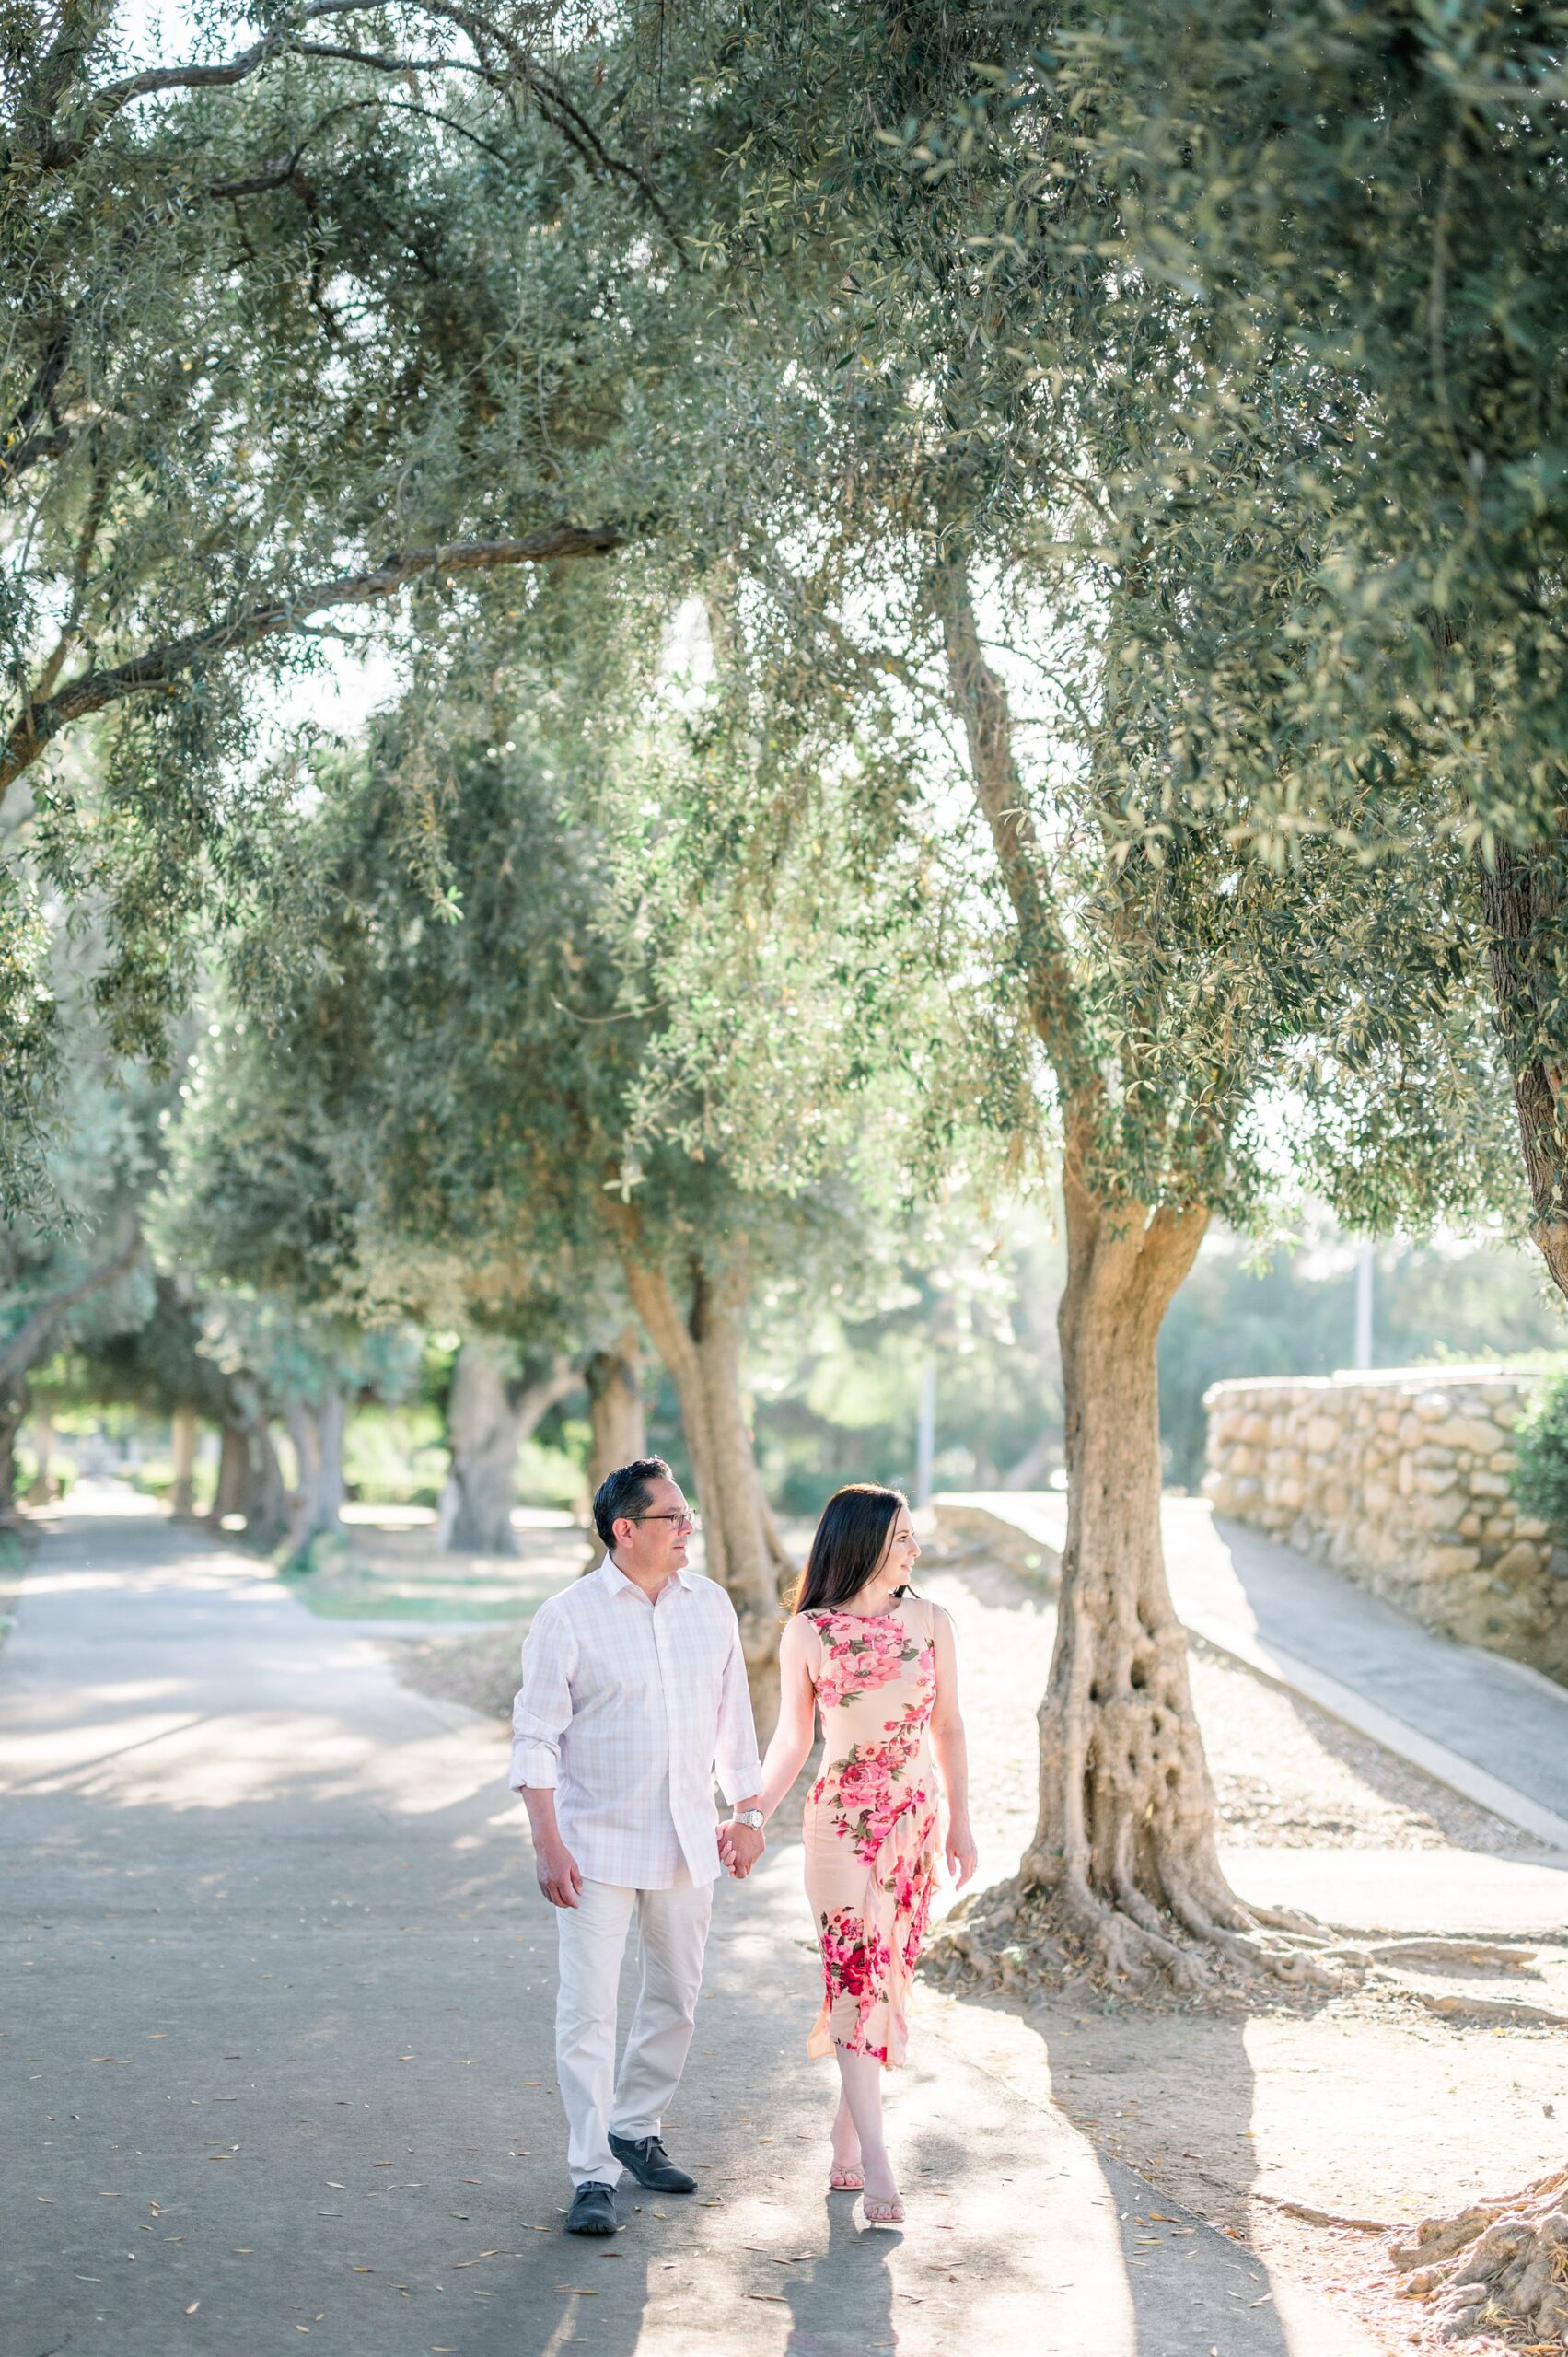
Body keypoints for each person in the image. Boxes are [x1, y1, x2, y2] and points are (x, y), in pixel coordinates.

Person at [510, 1457, 766, 2237]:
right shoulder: (568, 1616)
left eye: (687, 1517)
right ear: (626, 1530)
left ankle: (635, 2128)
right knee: (588, 2012)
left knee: (675, 1998)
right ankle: (592, 2170)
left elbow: (734, 1719)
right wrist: (548, 1843)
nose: (688, 1529)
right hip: (593, 1847)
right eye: (673, 1518)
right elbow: (536, 1735)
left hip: (688, 1839)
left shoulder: (709, 1605)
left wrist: (747, 1810)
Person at [724, 1483, 976, 2225]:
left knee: (884, 1980)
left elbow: (951, 1728)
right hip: (838, 1826)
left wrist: (961, 1823)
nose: (915, 1550)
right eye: (902, 1538)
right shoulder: (808, 1632)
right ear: (863, 1544)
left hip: (913, 1827)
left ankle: (843, 2142)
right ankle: (877, 2161)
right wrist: (749, 1815)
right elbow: (790, 1741)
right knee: (853, 1979)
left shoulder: (932, 1622)